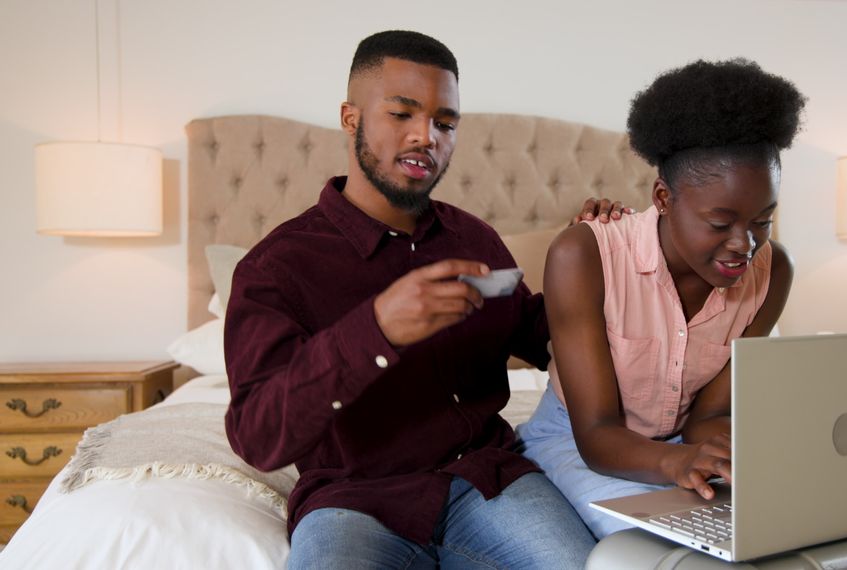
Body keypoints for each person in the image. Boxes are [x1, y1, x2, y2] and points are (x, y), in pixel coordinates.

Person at [223, 30, 626, 569]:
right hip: (352, 502)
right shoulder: (275, 268)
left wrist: (591, 263)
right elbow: (258, 436)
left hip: (489, 480)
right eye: (402, 114)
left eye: (445, 122)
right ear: (351, 118)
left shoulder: (475, 239)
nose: (426, 136)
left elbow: (547, 338)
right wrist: (377, 329)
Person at [517, 58, 806, 538]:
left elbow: (709, 416)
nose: (745, 245)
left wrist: (747, 454)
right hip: (577, 441)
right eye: (720, 223)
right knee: (665, 547)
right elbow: (596, 434)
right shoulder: (583, 255)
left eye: (763, 221)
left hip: (679, 445)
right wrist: (678, 462)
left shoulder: (774, 273)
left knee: (780, 529)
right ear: (664, 198)